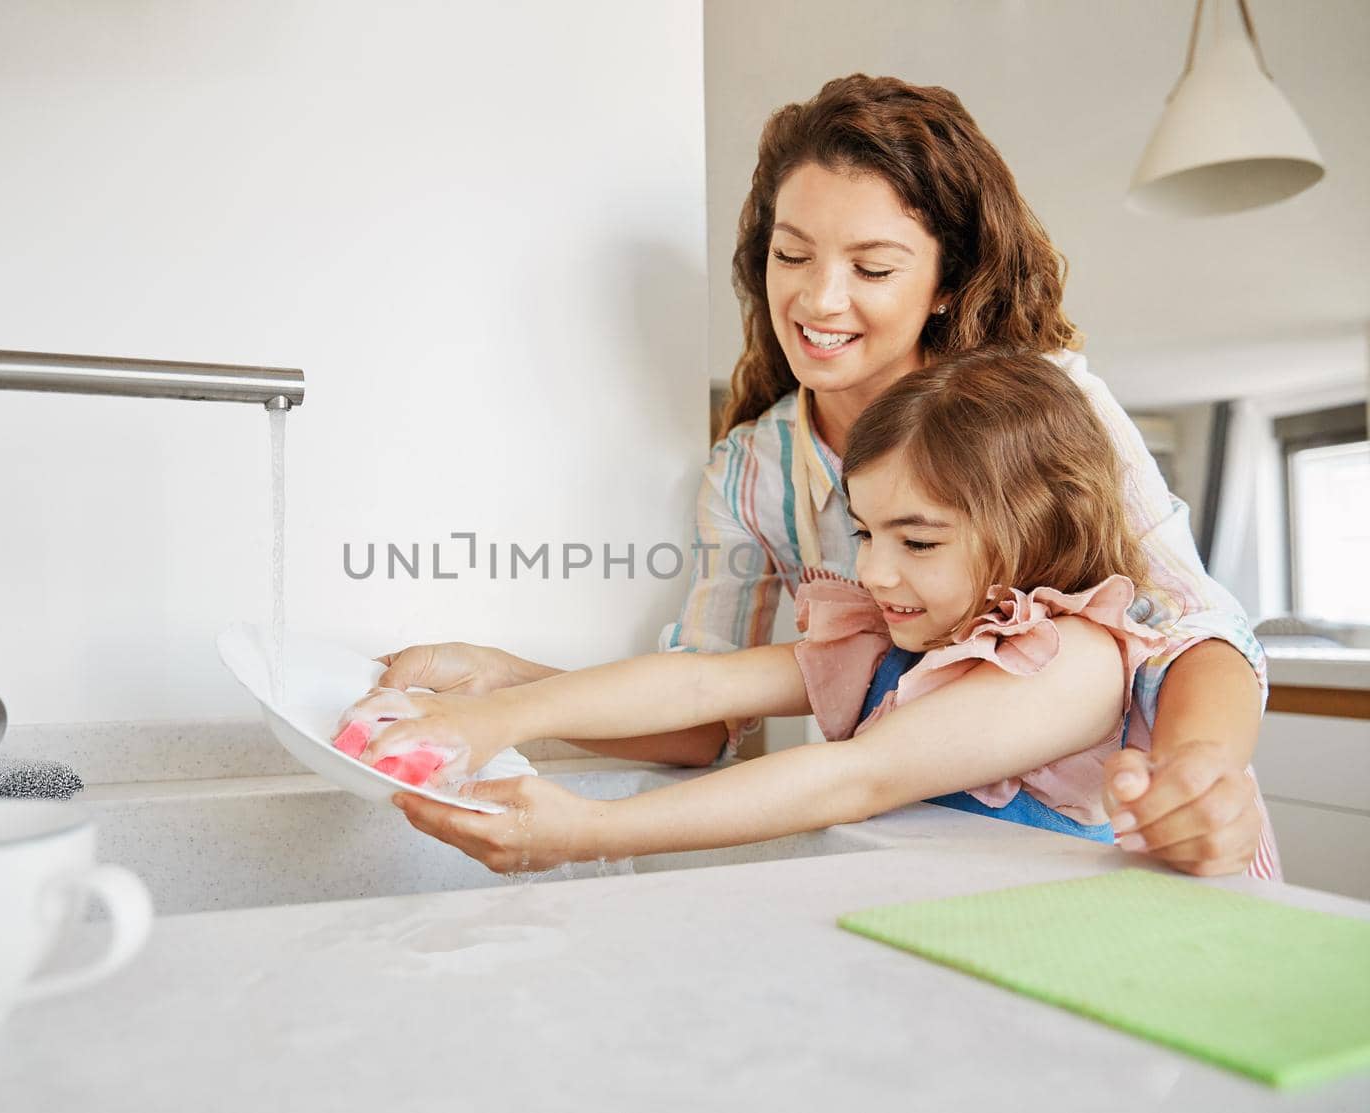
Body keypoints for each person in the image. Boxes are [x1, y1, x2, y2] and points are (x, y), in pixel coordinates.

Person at [376, 74, 1270, 877]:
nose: (817, 300)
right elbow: (704, 695)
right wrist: (499, 688)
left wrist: (1198, 773)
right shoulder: (767, 487)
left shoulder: (1045, 427)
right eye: (791, 254)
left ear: (947, 280)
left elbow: (1190, 625)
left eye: (872, 267)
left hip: (1150, 860)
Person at [350, 349, 1277, 875]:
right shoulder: (902, 633)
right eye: (866, 531)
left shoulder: (1075, 660)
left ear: (1037, 531)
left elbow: (853, 780)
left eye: (917, 542)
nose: (873, 569)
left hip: (1063, 956)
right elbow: (703, 680)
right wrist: (501, 712)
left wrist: (580, 831)